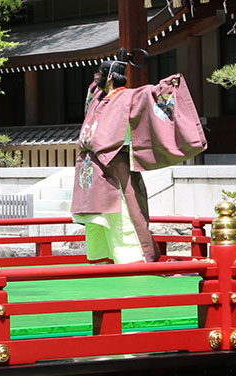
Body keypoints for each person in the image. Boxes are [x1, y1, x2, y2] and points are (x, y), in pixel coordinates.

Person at [70, 51, 206, 265]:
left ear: (111, 77)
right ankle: (100, 257)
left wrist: (168, 85)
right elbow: (92, 91)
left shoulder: (129, 97)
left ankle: (132, 258)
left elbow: (152, 94)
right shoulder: (98, 97)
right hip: (90, 165)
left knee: (121, 214)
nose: (96, 77)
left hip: (115, 163)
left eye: (100, 73)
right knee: (96, 217)